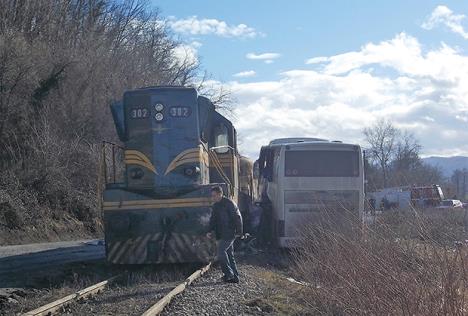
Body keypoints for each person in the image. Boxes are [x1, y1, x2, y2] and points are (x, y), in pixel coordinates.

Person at [207, 186, 243, 283]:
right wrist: (209, 231)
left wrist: (239, 232)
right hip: (221, 233)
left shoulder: (229, 204)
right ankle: (235, 278)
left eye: (214, 196)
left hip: (230, 233)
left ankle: (228, 274)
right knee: (229, 255)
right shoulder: (216, 206)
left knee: (221, 251)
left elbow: (237, 217)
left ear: (220, 194)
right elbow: (213, 220)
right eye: (212, 196)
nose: (213, 198)